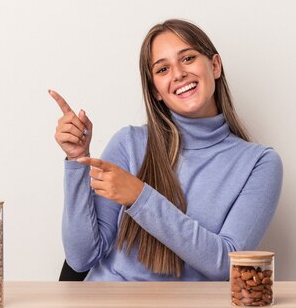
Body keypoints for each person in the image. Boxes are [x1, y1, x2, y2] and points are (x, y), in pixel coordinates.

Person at [49, 19, 283, 281]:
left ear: (215, 66)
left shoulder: (259, 163)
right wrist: (76, 159)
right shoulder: (129, 143)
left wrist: (139, 197)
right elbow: (81, 259)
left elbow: (225, 264)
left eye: (188, 58)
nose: (178, 74)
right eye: (162, 69)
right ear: (156, 91)